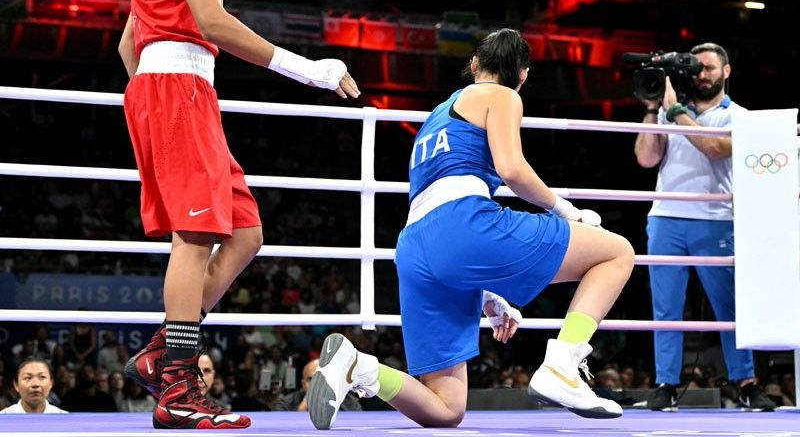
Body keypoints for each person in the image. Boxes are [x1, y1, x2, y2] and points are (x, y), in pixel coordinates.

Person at [117, 0, 360, 431]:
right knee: (197, 233)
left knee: (245, 231)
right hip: (178, 92)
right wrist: (311, 69)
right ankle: (177, 384)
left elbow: (129, 42)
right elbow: (213, 23)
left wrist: (159, 97)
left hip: (178, 92)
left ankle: (160, 351)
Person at [307, 28, 635, 429]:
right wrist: (565, 209)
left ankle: (358, 368)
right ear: (524, 75)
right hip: (462, 225)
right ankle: (563, 365)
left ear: (475, 64)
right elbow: (511, 169)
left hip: (415, 245)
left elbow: (443, 222)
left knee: (446, 408)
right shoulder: (502, 95)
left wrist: (487, 295)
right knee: (617, 252)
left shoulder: (436, 116)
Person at [634, 42, 775, 412]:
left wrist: (675, 110)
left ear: (726, 71)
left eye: (710, 67)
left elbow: (713, 148)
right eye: (697, 68)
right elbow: (646, 158)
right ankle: (665, 383)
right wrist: (653, 110)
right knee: (665, 308)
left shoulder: (739, 116)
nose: (702, 74)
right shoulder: (669, 112)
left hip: (716, 220)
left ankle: (746, 383)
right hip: (665, 217)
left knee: (728, 307)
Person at [274, 359, 361, 412]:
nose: (317, 385)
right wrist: (302, 410)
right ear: (303, 384)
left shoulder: (350, 402)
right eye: (311, 379)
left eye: (323, 379)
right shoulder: (285, 404)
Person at [1, 357, 67, 413]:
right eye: (28, 378)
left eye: (42, 377)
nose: (35, 384)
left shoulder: (64, 419)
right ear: (16, 385)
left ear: (51, 383)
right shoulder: (3, 418)